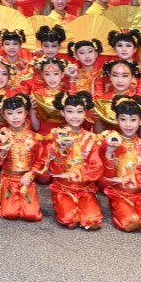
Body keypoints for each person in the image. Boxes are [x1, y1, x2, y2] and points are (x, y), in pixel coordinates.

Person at [100, 95, 141, 233]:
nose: (128, 125)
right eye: (123, 119)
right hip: (119, 194)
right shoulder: (112, 143)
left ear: (140, 121)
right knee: (130, 221)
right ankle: (120, 208)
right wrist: (109, 153)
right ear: (117, 120)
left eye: (133, 120)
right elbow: (106, 176)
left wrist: (128, 179)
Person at [42, 90, 103, 230]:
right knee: (69, 219)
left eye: (79, 111)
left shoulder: (92, 138)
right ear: (62, 113)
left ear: (85, 113)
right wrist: (61, 151)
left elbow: (97, 167)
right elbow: (51, 168)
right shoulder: (55, 135)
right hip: (62, 188)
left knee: (92, 221)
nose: (75, 116)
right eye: (70, 111)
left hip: (85, 188)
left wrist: (75, 174)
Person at [0, 93, 42, 222]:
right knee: (9, 213)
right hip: (8, 179)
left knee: (32, 215)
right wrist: (1, 151)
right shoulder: (0, 136)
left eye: (19, 112)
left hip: (26, 180)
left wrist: (30, 174)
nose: (15, 117)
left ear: (26, 113)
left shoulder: (34, 138)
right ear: (4, 115)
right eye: (10, 113)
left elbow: (41, 160)